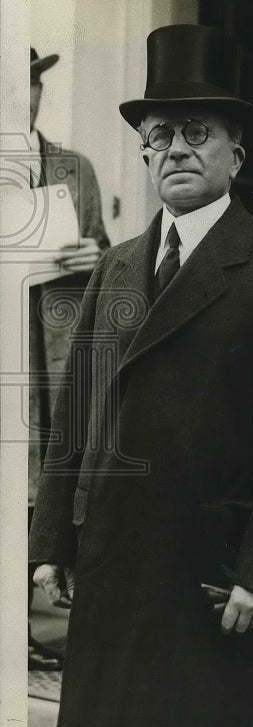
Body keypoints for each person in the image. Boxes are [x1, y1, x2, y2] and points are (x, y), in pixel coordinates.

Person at [29, 24, 253, 727]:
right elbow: (75, 415)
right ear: (142, 153)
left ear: (236, 154)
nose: (175, 148)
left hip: (216, 581)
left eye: (197, 132)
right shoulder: (115, 267)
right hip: (112, 571)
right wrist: (49, 545)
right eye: (159, 133)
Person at [28, 47, 110, 671]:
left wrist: (93, 257)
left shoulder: (73, 169)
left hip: (58, 351)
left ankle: (44, 615)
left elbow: (110, 260)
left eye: (28, 83)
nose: (19, 97)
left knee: (54, 477)